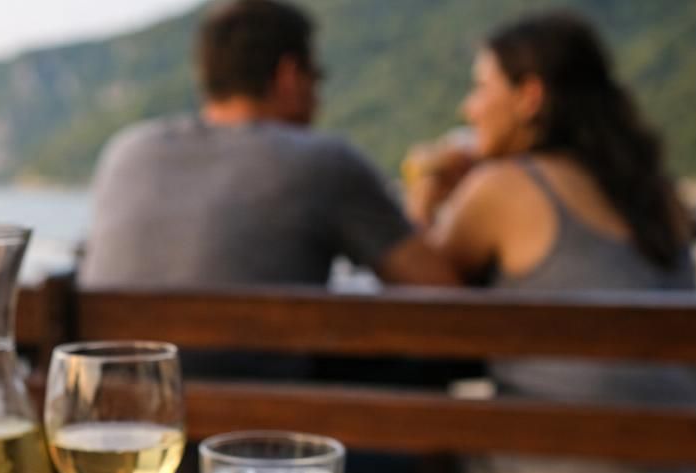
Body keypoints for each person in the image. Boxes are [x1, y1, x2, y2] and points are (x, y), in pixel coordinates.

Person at [409, 10, 696, 473]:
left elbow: (419, 286)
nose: (467, 107)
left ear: (529, 96)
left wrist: (425, 191)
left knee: (427, 449)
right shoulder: (658, 193)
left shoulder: (502, 186)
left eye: (480, 87)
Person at [79, 0, 456, 289]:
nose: (318, 98)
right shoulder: (324, 160)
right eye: (317, 77)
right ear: (290, 76)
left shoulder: (126, 150)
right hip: (272, 392)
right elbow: (441, 293)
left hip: (126, 386)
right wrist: (427, 190)